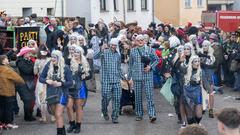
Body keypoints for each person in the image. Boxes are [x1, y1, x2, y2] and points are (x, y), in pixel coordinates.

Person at [40, 50, 73, 135]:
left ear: (59, 58)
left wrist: (61, 83)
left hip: (62, 93)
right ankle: (62, 130)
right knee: (57, 115)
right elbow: (41, 78)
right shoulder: (48, 66)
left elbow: (70, 82)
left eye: (55, 57)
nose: (53, 59)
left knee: (58, 114)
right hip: (51, 93)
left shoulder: (65, 67)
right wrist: (47, 81)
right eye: (52, 57)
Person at [94, 38, 125, 124]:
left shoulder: (118, 55)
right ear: (109, 44)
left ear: (117, 46)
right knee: (106, 98)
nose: (113, 46)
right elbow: (94, 56)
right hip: (106, 80)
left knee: (117, 99)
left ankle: (115, 117)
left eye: (115, 45)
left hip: (116, 80)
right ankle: (104, 111)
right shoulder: (104, 52)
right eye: (112, 44)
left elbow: (119, 69)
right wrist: (101, 49)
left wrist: (124, 79)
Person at [128, 35, 159, 122]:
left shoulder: (150, 49)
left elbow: (157, 59)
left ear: (145, 41)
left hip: (147, 76)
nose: (140, 41)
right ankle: (139, 114)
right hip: (136, 77)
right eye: (138, 40)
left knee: (150, 96)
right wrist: (129, 78)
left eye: (142, 40)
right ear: (135, 41)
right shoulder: (132, 51)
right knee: (137, 96)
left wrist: (150, 67)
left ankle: (152, 115)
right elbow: (130, 65)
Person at [67, 46, 90, 133]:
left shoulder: (84, 63)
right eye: (74, 52)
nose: (75, 53)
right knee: (69, 106)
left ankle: (78, 125)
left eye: (77, 52)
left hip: (80, 87)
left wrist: (86, 76)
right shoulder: (69, 62)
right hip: (70, 87)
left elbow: (90, 74)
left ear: (80, 53)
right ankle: (72, 124)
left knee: (78, 107)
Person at [0, 55, 24, 129]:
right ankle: (9, 123)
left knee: (1, 108)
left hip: (1, 92)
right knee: (9, 108)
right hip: (8, 91)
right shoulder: (7, 70)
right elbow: (19, 79)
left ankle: (2, 123)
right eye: (6, 58)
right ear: (3, 61)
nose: (8, 59)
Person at [16, 47, 36, 121]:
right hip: (23, 83)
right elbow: (27, 71)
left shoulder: (29, 60)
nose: (30, 54)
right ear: (24, 54)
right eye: (28, 53)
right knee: (27, 100)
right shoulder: (20, 61)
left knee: (31, 99)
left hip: (30, 82)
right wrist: (34, 67)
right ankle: (27, 116)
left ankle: (29, 115)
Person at [34, 45, 51, 122]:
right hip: (42, 81)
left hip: (48, 81)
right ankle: (45, 116)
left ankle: (50, 115)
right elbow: (35, 72)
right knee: (42, 98)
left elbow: (35, 72)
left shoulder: (50, 59)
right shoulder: (38, 60)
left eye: (45, 50)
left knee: (49, 97)